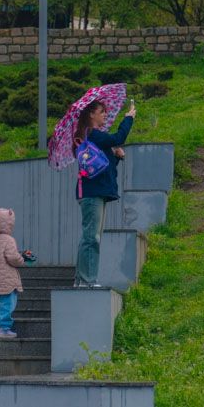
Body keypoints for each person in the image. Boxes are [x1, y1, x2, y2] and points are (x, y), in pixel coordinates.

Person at [72, 99, 136, 287]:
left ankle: (80, 279)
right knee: (92, 238)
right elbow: (117, 138)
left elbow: (102, 168)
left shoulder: (94, 138)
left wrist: (116, 157)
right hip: (91, 194)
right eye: (102, 111)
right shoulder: (92, 134)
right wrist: (128, 119)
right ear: (91, 114)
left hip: (96, 192)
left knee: (90, 237)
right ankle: (88, 280)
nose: (105, 114)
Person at [0, 208, 33, 339]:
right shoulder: (8, 240)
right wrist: (22, 259)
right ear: (8, 224)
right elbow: (12, 258)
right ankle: (4, 329)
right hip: (7, 281)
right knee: (7, 304)